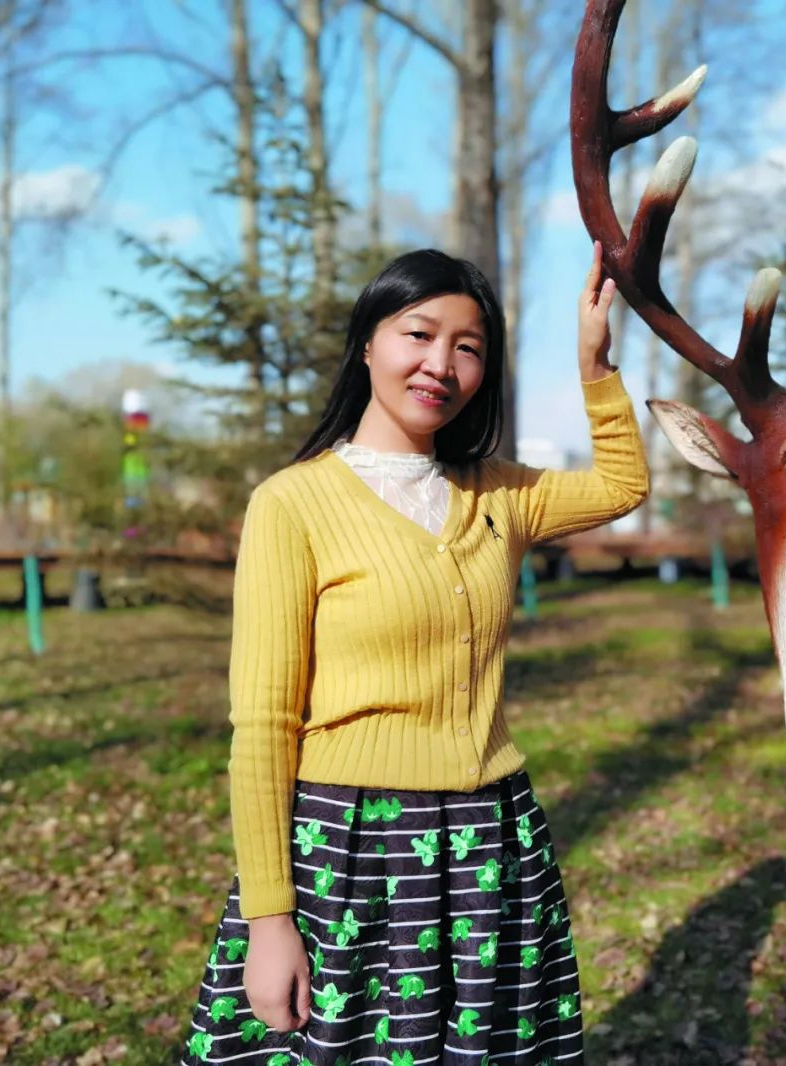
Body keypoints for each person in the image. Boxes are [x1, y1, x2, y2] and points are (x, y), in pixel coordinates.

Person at [182, 241, 649, 1066]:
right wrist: (269, 918)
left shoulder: (499, 493)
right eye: (419, 334)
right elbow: (262, 725)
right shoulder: (293, 503)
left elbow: (623, 486)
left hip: (490, 838)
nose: (441, 364)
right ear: (368, 343)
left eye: (469, 347)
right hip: (348, 846)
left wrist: (594, 362)